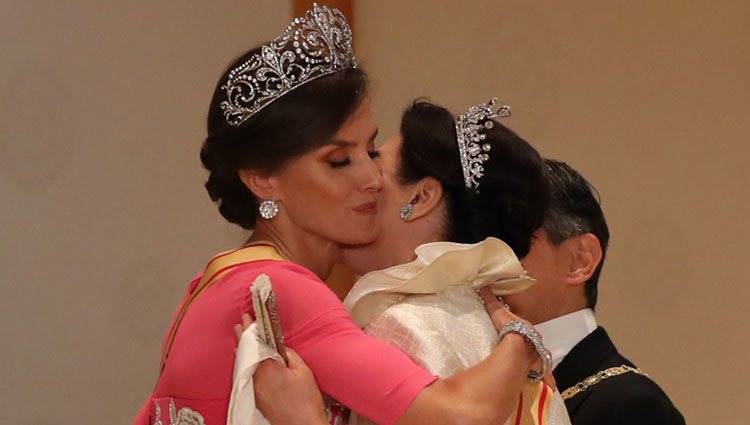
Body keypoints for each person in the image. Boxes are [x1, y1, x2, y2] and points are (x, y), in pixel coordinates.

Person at [133, 5, 549, 425]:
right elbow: (461, 417)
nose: (372, 177)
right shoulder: (278, 288)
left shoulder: (224, 277)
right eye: (338, 161)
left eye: (369, 150)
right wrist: (521, 336)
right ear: (263, 180)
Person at [243, 99, 572, 425]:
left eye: (373, 159)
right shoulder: (498, 331)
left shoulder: (400, 325)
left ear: (419, 198)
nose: (364, 178)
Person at [503, 159, 686, 425]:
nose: (485, 267)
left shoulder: (633, 406)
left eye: (511, 244)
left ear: (580, 260)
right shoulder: (477, 387)